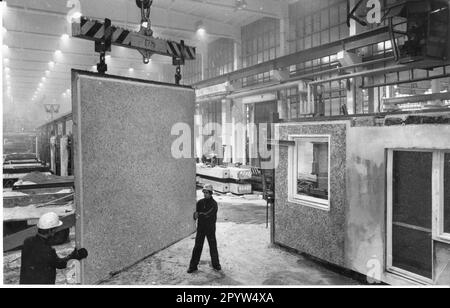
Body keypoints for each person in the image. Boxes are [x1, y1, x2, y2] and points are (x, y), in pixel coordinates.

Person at [20, 212, 88, 285]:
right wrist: (76, 255)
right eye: (55, 230)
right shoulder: (47, 251)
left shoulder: (27, 242)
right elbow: (60, 264)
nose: (55, 232)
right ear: (50, 231)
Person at [187, 184, 221, 273]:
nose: (205, 194)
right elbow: (196, 214)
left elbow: (208, 215)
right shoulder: (200, 202)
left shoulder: (214, 204)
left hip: (210, 228)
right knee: (197, 246)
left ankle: (216, 265)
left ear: (211, 193)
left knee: (212, 246)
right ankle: (193, 266)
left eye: (207, 193)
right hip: (201, 228)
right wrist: (195, 215)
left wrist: (199, 214)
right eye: (204, 192)